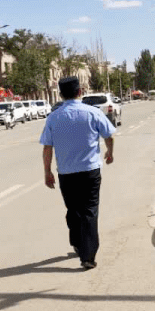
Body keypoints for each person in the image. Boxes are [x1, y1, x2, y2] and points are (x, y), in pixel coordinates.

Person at [40, 76, 115, 269]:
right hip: (90, 171)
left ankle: (77, 243)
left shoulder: (54, 117)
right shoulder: (92, 112)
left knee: (73, 210)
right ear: (79, 91)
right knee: (89, 211)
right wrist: (110, 152)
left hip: (66, 174)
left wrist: (47, 171)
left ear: (61, 94)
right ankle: (87, 255)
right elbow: (109, 136)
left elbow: (47, 148)